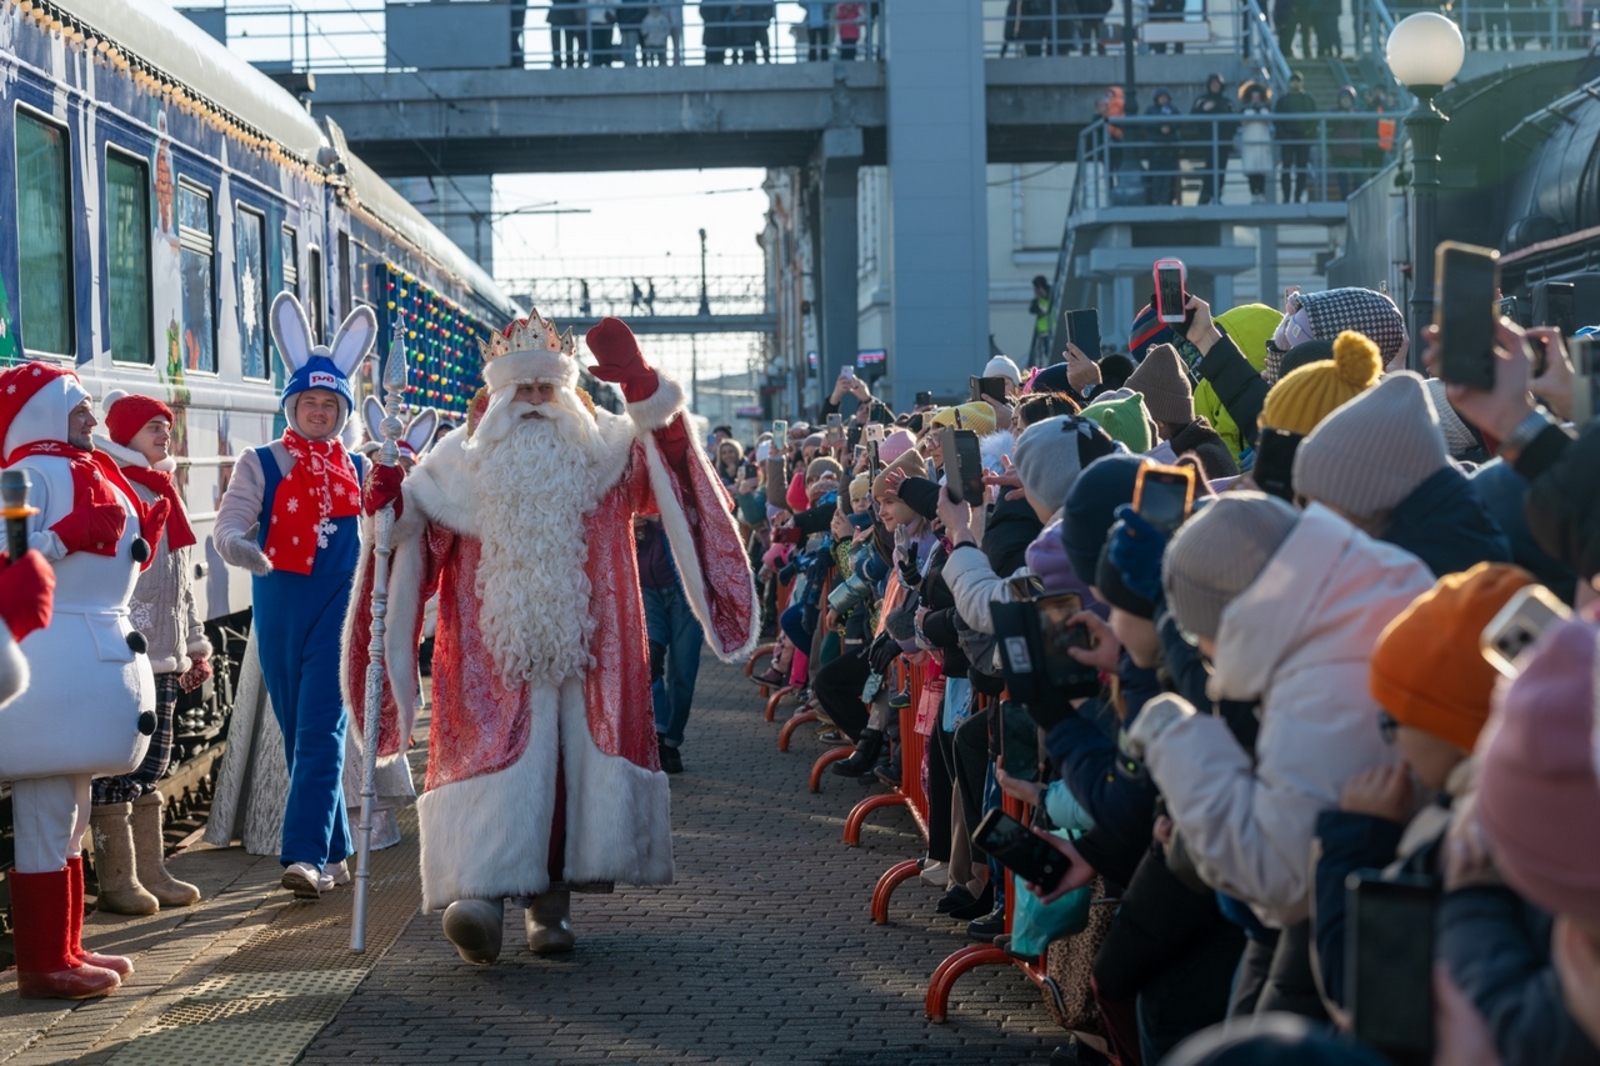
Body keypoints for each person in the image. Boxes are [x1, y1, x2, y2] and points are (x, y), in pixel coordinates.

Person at [353, 313, 757, 965]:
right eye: (523, 389)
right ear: (498, 396)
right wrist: (388, 507)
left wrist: (646, 393)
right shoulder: (454, 465)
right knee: (488, 763)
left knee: (570, 778)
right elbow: (412, 553)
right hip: (488, 664)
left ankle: (551, 907)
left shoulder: (607, 452)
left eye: (547, 388)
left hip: (587, 661)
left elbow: (672, 477)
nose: (536, 401)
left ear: (569, 392)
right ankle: (479, 899)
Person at [0, 361, 157, 999]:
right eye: (77, 406)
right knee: (46, 816)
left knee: (71, 815)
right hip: (47, 664)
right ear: (39, 412)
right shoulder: (26, 475)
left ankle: (67, 947)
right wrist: (66, 538)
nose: (92, 416)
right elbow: (9, 553)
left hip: (80, 660)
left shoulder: (89, 469)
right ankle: (43, 962)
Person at [214, 294, 375, 901]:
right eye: (310, 402)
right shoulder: (260, 462)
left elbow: (394, 530)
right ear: (292, 405)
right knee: (294, 732)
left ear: (342, 411)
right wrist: (241, 548)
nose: (319, 412)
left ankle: (304, 857)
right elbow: (229, 525)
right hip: (279, 605)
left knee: (320, 731)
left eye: (330, 405)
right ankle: (335, 851)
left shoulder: (360, 468)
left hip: (339, 608)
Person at [88, 392, 209, 916]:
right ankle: (119, 882)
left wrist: (196, 645)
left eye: (166, 426)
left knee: (154, 763)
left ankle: (152, 872)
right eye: (152, 427)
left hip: (165, 652)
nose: (164, 434)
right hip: (128, 653)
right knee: (120, 768)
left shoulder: (163, 489)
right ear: (124, 435)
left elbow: (182, 587)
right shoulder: (116, 487)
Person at [638, 515, 704, 775]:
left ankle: (672, 741)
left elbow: (704, 514)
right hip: (645, 590)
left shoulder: (687, 483)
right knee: (650, 660)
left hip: (685, 590)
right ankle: (658, 734)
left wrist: (662, 517)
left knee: (683, 673)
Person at [1191, 73, 1237, 204]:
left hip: (1223, 142)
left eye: (1217, 84)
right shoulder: (1201, 100)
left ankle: (1217, 196)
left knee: (1221, 169)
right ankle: (1206, 196)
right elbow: (1192, 118)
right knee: (1210, 168)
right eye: (1212, 84)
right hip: (1207, 141)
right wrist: (1203, 109)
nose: (1215, 86)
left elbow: (1235, 120)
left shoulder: (1227, 102)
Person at [1274, 72, 1317, 204]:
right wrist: (1283, 134)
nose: (1295, 84)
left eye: (1297, 81)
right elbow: (1276, 120)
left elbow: (1314, 119)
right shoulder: (1283, 100)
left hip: (1303, 139)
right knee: (1286, 167)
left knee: (1301, 168)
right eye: (1293, 81)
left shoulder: (1308, 100)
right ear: (1289, 83)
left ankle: (1297, 197)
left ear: (1301, 83)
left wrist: (1308, 133)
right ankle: (1286, 197)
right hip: (1287, 138)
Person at [1144, 87, 1183, 206]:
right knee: (1156, 179)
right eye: (1161, 97)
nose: (1163, 100)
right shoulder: (1151, 110)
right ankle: (1155, 202)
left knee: (1168, 180)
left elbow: (1180, 121)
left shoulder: (1173, 109)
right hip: (1155, 151)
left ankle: (1167, 201)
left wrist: (1169, 126)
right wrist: (1160, 126)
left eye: (1165, 97)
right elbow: (1145, 123)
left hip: (1170, 150)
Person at [1239, 81, 1275, 204]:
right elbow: (1243, 121)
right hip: (1249, 141)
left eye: (1257, 94)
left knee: (1261, 170)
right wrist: (1252, 112)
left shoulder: (1266, 108)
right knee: (1251, 170)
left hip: (1262, 141)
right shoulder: (1244, 109)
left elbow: (1268, 119)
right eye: (1253, 94)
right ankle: (1253, 194)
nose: (1255, 97)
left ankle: (1261, 193)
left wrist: (1261, 111)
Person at [548, 0, 583, 67]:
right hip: (559, 12)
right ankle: (558, 62)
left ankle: (568, 62)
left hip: (566, 12)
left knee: (568, 40)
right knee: (557, 40)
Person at [1028, 276, 1053, 365]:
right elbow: (1031, 309)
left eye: (1036, 289)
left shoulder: (1052, 297)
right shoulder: (1037, 301)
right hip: (1043, 333)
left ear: (1040, 288)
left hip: (1051, 330)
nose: (1034, 291)